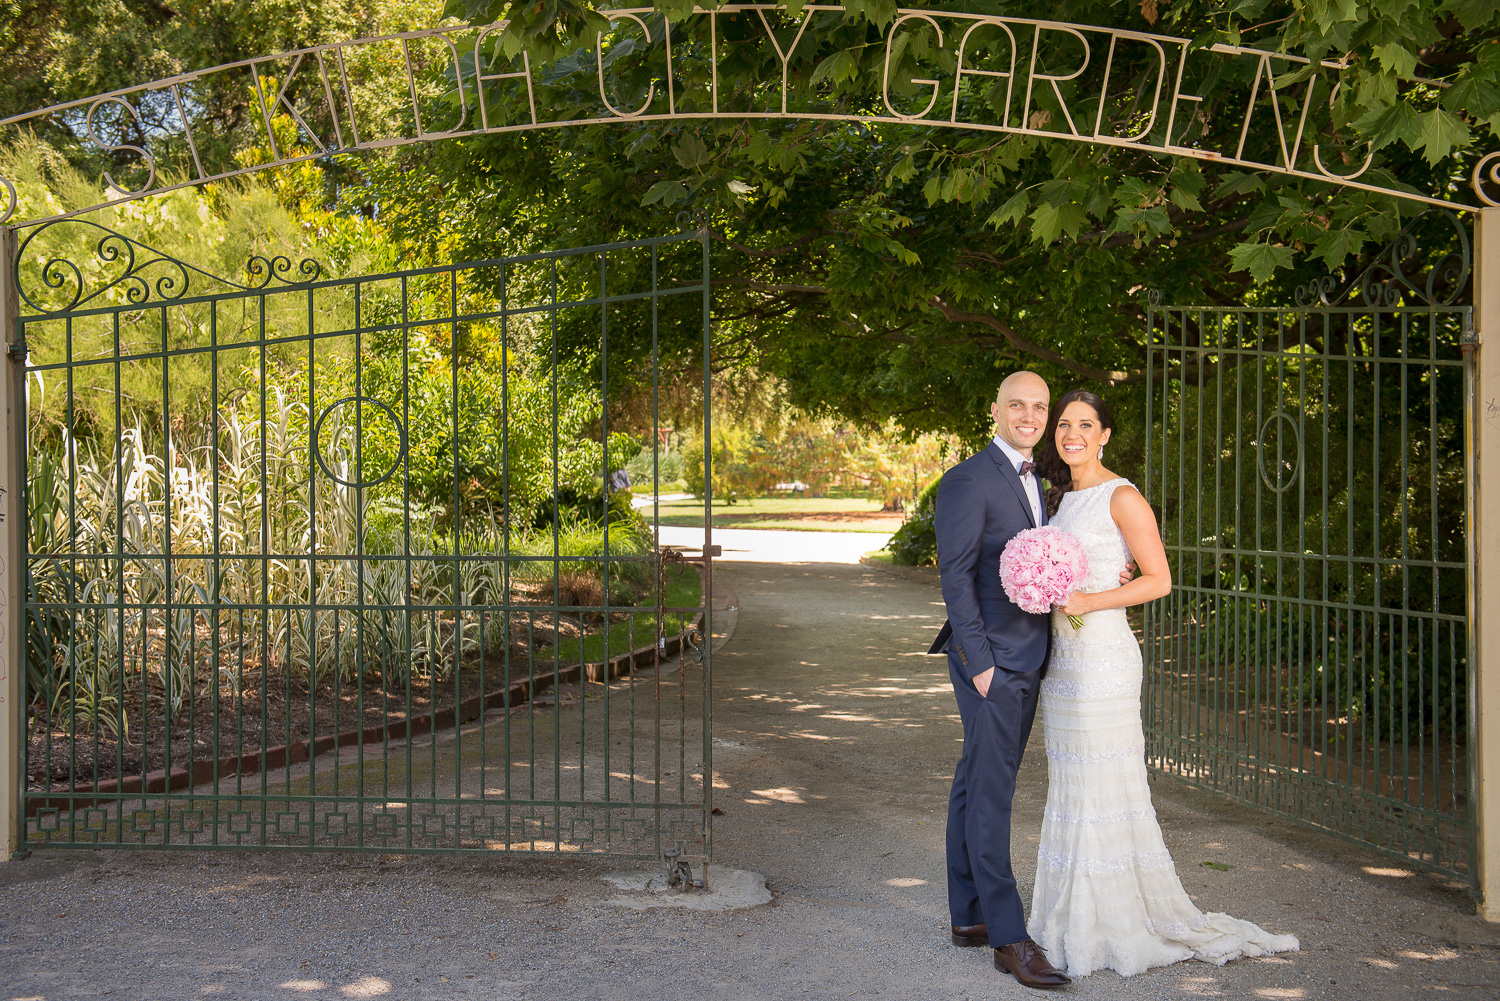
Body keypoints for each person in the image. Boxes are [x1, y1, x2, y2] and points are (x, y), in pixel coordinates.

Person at [1029, 388, 1300, 977]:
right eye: (1064, 424)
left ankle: (1116, 922)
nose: (1071, 433)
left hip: (1103, 658)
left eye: (1085, 424)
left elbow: (1159, 581)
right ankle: (1072, 918)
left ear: (1104, 434)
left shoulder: (1121, 495)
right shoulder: (1059, 501)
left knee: (1106, 783)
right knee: (1073, 784)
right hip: (1063, 664)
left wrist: (1088, 599)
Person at [929, 371, 1088, 989]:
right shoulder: (969, 479)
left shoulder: (1039, 482)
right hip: (991, 661)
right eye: (1017, 404)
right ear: (994, 409)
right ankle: (1009, 937)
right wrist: (982, 664)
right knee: (994, 794)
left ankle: (968, 917)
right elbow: (956, 577)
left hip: (1029, 653)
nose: (1030, 414)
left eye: (1040, 406)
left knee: (975, 782)